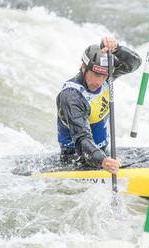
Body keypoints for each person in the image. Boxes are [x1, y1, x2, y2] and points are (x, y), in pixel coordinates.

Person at [56, 37, 141, 174]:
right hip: (77, 159)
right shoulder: (72, 97)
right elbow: (82, 140)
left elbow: (134, 64)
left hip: (102, 154)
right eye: (96, 74)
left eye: (104, 75)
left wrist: (118, 50)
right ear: (83, 68)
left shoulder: (106, 76)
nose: (99, 81)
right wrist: (103, 161)